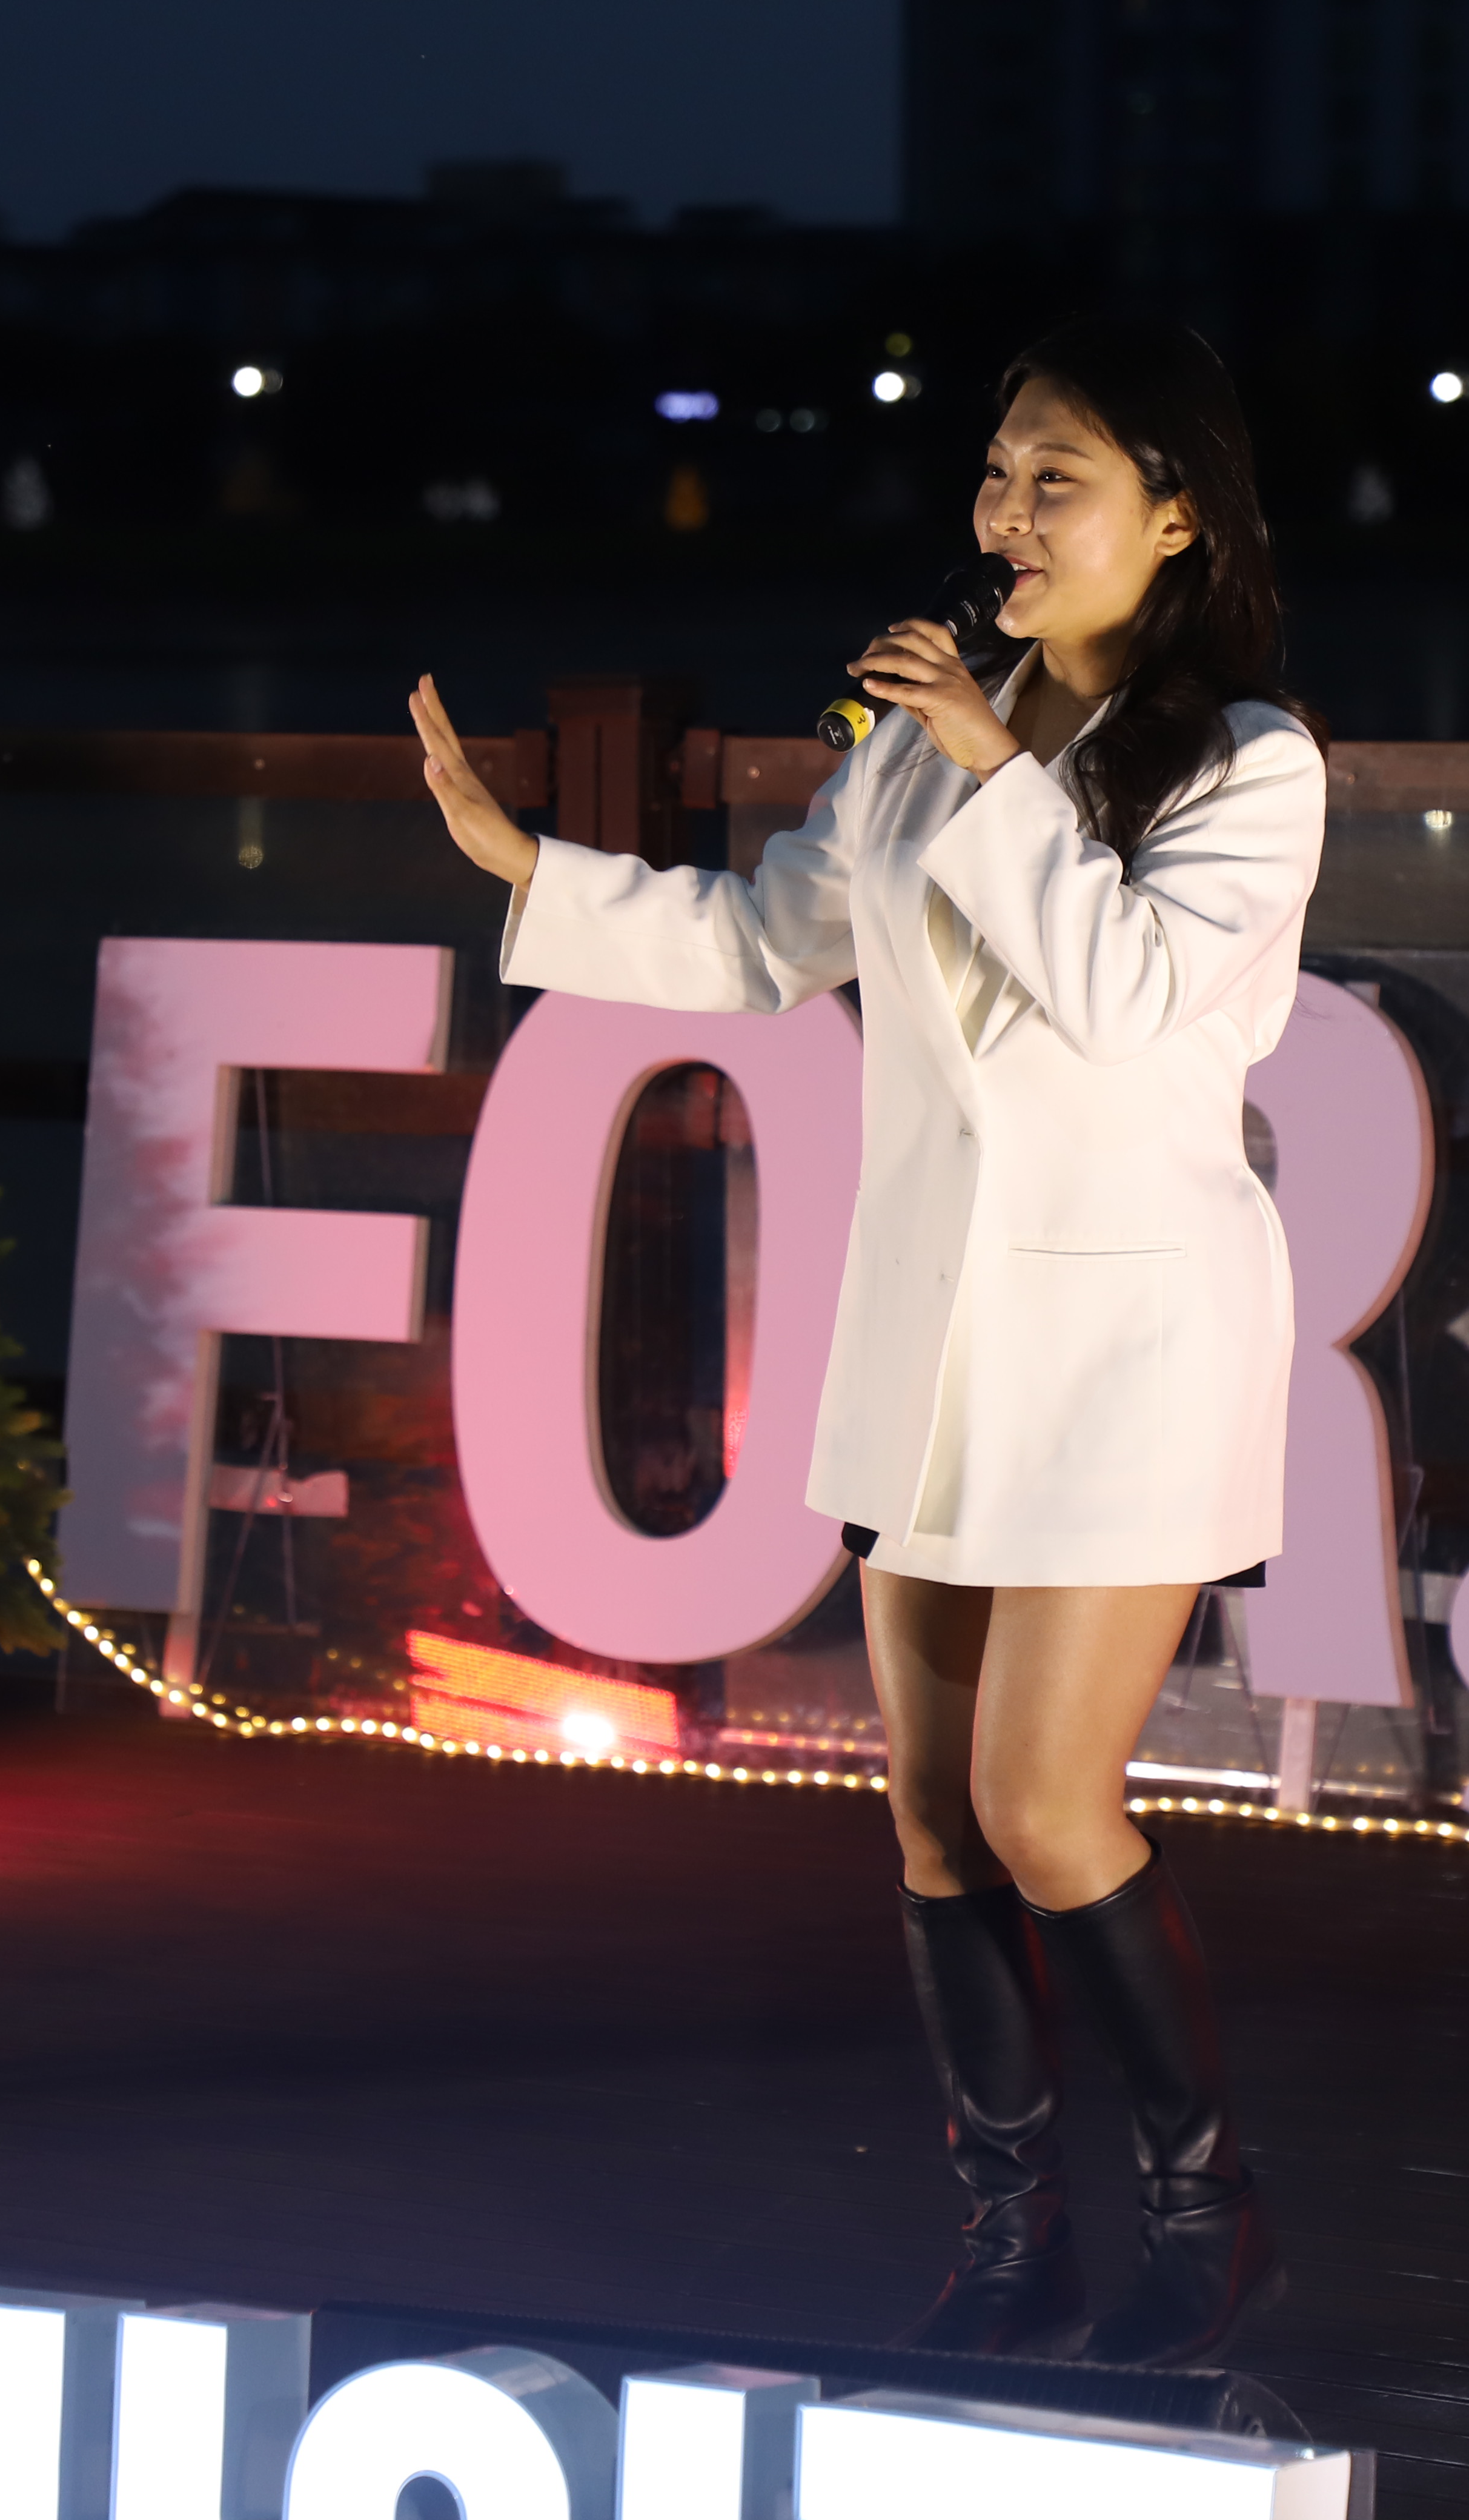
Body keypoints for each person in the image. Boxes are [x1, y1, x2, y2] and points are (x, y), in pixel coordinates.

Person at [408, 315, 1322, 2369]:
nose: (1008, 515)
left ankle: (1210, 2210)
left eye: (1059, 479)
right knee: (930, 1818)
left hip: (1125, 1345)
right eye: (997, 474)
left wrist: (999, 770)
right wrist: (529, 870)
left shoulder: (1250, 761)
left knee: (1044, 1802)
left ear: (1179, 514)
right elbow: (765, 940)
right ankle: (1014, 2237)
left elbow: (1126, 993)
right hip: (932, 1325)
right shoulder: (923, 735)